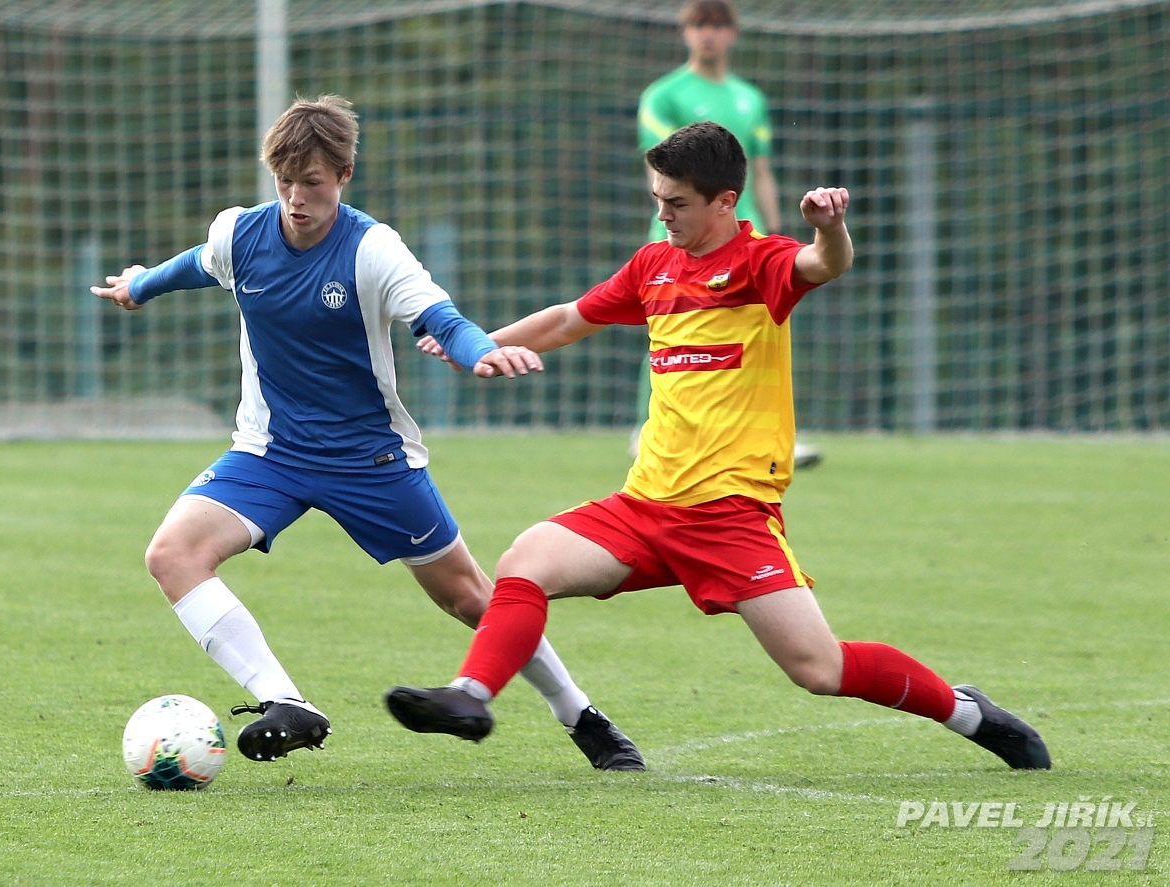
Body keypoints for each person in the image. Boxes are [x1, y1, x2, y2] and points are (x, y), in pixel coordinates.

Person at [385, 122, 1051, 773]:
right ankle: (471, 695)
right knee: (526, 561)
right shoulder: (653, 265)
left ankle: (967, 712)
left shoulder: (761, 264)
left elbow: (826, 263)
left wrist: (829, 227)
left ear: (725, 201)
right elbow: (567, 319)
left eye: (676, 203)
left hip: (731, 515)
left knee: (820, 669)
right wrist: (478, 343)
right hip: (645, 507)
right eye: (657, 199)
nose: (663, 215)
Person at [91, 95, 644, 771]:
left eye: (312, 182)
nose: (296, 199)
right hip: (270, 453)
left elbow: (441, 319)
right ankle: (286, 702)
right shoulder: (240, 234)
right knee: (172, 554)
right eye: (285, 181)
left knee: (470, 596)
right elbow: (198, 263)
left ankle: (580, 715)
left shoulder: (373, 249)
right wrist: (141, 285)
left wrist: (480, 353)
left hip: (371, 461)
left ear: (344, 175)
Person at [631, 0, 820, 468]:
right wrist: (672, 220)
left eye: (717, 25)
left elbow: (761, 168)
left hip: (742, 234)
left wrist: (776, 230)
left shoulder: (749, 98)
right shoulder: (664, 95)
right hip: (687, 235)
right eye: (699, 25)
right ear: (685, 33)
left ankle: (773, 432)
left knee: (765, 328)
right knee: (668, 328)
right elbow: (659, 168)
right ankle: (648, 428)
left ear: (733, 34)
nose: (708, 34)